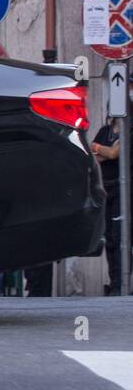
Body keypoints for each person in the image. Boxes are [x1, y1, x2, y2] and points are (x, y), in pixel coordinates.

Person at [92, 116, 123, 295]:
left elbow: (114, 154)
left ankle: (120, 283)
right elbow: (93, 155)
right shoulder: (105, 131)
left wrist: (99, 149)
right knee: (109, 239)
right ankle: (114, 283)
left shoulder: (128, 129)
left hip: (121, 188)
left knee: (119, 237)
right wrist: (103, 150)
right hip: (105, 188)